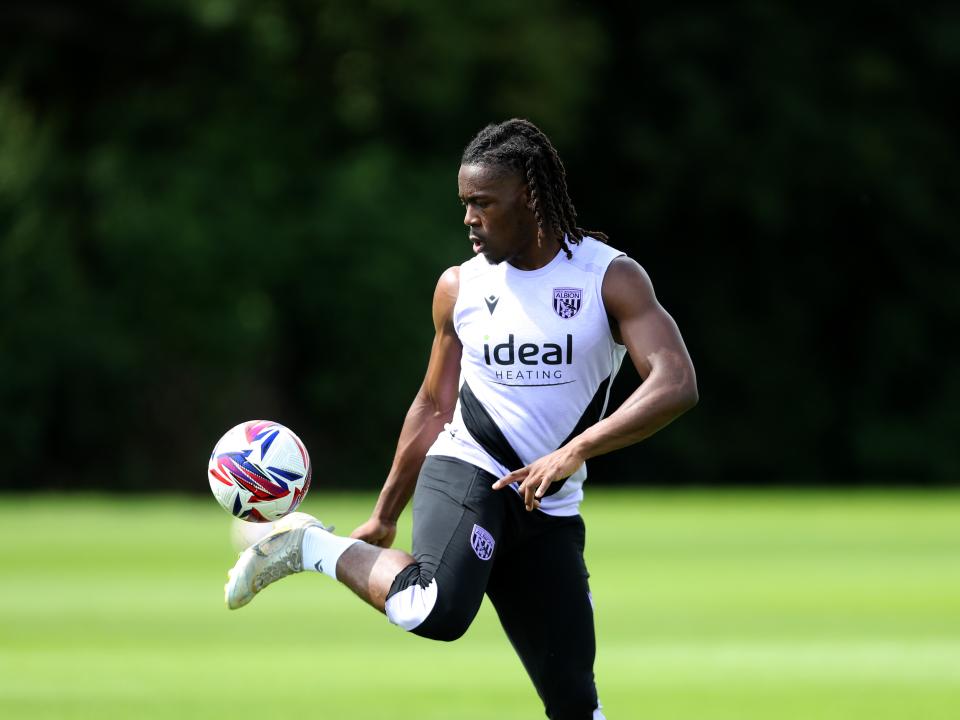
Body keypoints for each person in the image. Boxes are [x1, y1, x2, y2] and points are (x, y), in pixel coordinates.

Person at [224, 118, 698, 719]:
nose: (469, 218)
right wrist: (384, 514)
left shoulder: (610, 278)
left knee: (575, 703)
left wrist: (575, 452)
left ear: (528, 197)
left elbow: (676, 382)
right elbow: (432, 404)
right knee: (434, 610)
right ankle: (309, 547)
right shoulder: (459, 287)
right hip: (467, 465)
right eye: (464, 203)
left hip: (547, 503)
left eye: (483, 203)